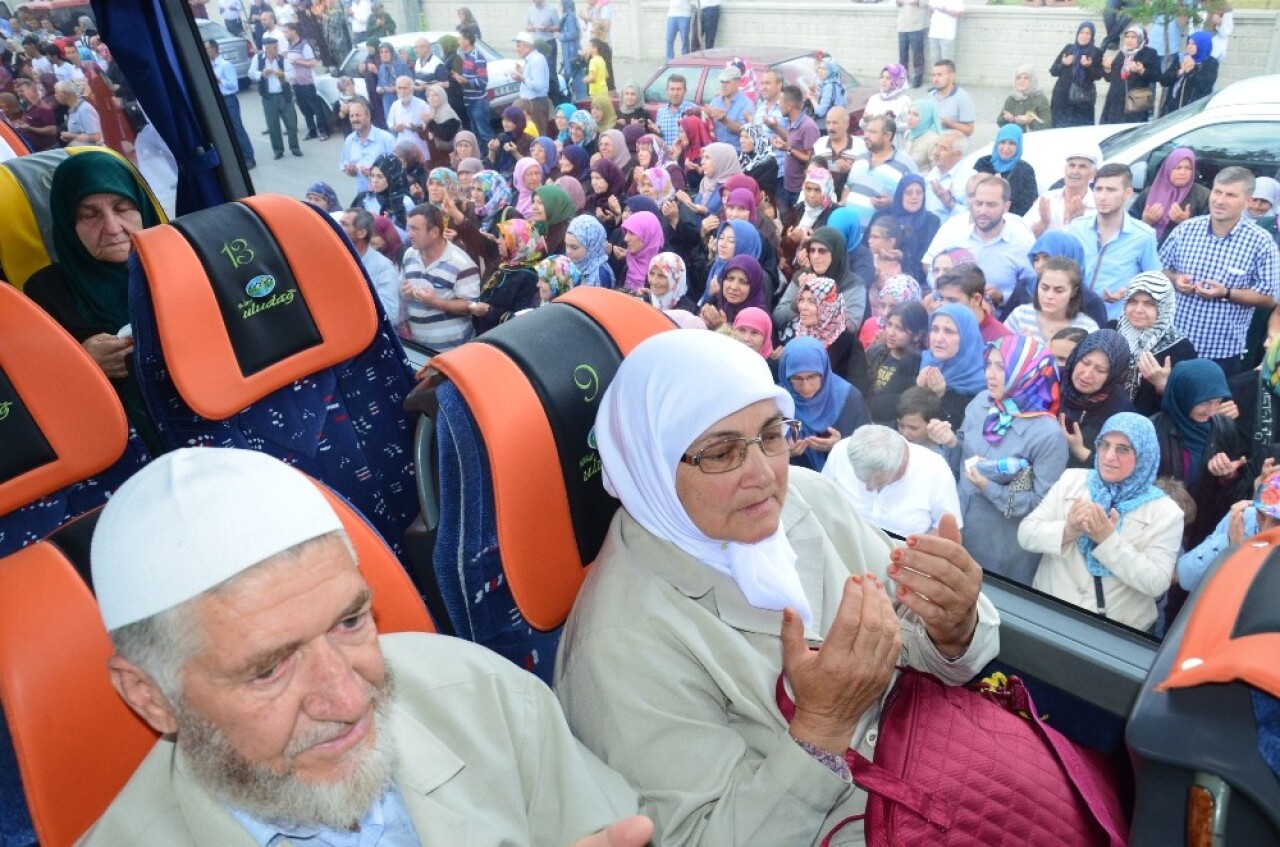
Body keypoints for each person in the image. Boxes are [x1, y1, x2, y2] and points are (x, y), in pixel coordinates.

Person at [554, 329, 998, 847]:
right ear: (650, 465)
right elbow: (702, 838)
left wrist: (953, 627)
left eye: (770, 435)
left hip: (942, 770)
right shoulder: (619, 644)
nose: (764, 474)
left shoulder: (808, 499)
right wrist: (821, 729)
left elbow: (917, 632)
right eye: (721, 453)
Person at [81, 447, 647, 845]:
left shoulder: (487, 694)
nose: (350, 700)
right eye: (269, 670)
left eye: (350, 621)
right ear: (150, 696)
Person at [24, 151, 165, 453]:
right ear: (67, 223)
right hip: (115, 438)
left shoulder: (183, 259)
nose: (113, 228)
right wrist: (82, 367)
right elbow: (34, 391)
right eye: (90, 215)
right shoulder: (44, 291)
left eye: (123, 208)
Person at [1019, 412, 1181, 631]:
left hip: (1109, 633)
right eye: (1104, 445)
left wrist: (1108, 541)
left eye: (1123, 449)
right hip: (1049, 615)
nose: (1109, 456)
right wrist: (1068, 530)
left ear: (1145, 455)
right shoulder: (1071, 480)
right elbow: (1026, 535)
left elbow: (1157, 582)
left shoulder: (1167, 513)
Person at [930, 334, 1066, 584]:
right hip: (959, 527)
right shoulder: (982, 402)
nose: (990, 375)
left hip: (1001, 551)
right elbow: (961, 458)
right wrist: (950, 442)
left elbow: (1038, 504)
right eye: (989, 365)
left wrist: (988, 487)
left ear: (1027, 371)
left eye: (1001, 367)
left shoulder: (1048, 435)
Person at [1162, 167, 1280, 378]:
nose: (1220, 200)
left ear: (1246, 200)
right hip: (1174, 343)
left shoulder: (1260, 242)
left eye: (1230, 195)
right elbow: (1159, 270)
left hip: (1222, 353)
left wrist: (1227, 293)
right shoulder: (1186, 230)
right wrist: (1175, 280)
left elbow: (1270, 298)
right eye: (1217, 192)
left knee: (1211, 410)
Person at [1151, 359, 1251, 549]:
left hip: (1201, 528)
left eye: (1218, 401)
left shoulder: (1224, 428)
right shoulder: (1154, 430)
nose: (1212, 410)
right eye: (1205, 402)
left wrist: (1228, 475)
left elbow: (1231, 492)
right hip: (1160, 525)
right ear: (1183, 394)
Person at [823, 424, 961, 538]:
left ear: (901, 462)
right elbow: (822, 499)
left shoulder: (935, 470)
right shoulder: (841, 451)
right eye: (863, 480)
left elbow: (946, 532)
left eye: (878, 483)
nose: (869, 488)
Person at [925, 176, 1036, 306]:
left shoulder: (1022, 243)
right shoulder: (954, 236)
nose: (982, 211)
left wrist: (1002, 297)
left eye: (991, 205)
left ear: (1006, 206)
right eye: (978, 203)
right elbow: (932, 272)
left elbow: (1032, 290)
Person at [399, 203, 482, 350]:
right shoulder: (409, 256)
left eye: (415, 229)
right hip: (419, 349)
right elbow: (402, 292)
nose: (409, 234)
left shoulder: (461, 263)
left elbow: (471, 306)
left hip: (454, 352)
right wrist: (405, 293)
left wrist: (435, 302)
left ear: (434, 232)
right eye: (408, 228)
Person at [780, 338, 870, 471]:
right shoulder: (778, 401)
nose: (805, 386)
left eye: (812, 377)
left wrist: (841, 446)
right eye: (797, 378)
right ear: (785, 375)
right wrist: (782, 452)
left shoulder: (849, 398)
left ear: (824, 371)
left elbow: (868, 448)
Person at [1116, 271, 1196, 416]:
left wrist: (1164, 385)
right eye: (1133, 301)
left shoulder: (1180, 348)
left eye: (1149, 304)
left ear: (1164, 306)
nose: (1138, 310)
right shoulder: (1112, 331)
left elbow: (1189, 404)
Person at [1057, 329, 1136, 470]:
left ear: (1113, 374)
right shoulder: (1053, 380)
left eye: (1100, 370)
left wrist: (1080, 451)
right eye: (1085, 362)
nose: (1087, 374)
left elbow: (1124, 467)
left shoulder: (1120, 409)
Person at [840, 115, 917, 231]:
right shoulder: (860, 158)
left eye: (872, 132)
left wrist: (892, 203)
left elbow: (916, 201)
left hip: (876, 240)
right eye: (866, 131)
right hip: (847, 232)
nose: (866, 136)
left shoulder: (906, 164)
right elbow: (848, 187)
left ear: (887, 136)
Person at [916, 302, 987, 427]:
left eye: (949, 331)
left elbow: (962, 434)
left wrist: (940, 397)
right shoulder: (923, 362)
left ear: (966, 336)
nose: (938, 338)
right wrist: (920, 392)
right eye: (934, 329)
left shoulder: (983, 381)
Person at [1003, 257, 1099, 345]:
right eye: (1044, 288)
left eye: (1059, 290)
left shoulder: (1088, 328)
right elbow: (999, 351)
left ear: (1073, 292)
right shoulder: (1020, 315)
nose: (1049, 296)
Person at [866, 301, 928, 425]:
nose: (890, 332)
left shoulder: (920, 365)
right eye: (889, 325)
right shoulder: (875, 353)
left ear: (917, 335)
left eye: (899, 328)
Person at [1130, 148, 1209, 245]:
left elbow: (1208, 234)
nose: (1182, 172)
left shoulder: (1203, 196)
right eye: (1177, 167)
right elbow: (1128, 227)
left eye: (1188, 168)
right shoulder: (1149, 193)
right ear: (1168, 168)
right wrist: (1145, 222)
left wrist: (1185, 223)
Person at [337, 208, 400, 324]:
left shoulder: (384, 267)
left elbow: (391, 313)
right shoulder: (335, 259)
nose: (338, 228)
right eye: (339, 223)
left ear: (361, 233)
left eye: (344, 224)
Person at [1024, 145, 1099, 238]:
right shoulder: (1047, 199)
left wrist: (1077, 224)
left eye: (1082, 166)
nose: (1075, 171)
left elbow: (1096, 247)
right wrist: (1042, 223)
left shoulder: (1098, 206)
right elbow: (1023, 238)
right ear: (1065, 169)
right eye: (1072, 165)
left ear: (1093, 173)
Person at [205, 39, 255, 170]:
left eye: (207, 49)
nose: (206, 52)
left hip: (228, 99)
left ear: (215, 49)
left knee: (237, 127)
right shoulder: (208, 65)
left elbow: (233, 85)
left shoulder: (225, 65)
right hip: (217, 100)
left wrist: (219, 80)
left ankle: (249, 157)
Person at [934, 263, 1012, 344]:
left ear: (976, 299)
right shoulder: (940, 329)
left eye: (952, 300)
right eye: (942, 299)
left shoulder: (1002, 340)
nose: (944, 306)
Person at [770, 84, 819, 212]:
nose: (778, 104)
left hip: (800, 189)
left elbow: (812, 159)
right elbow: (793, 143)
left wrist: (789, 149)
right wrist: (783, 144)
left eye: (780, 101)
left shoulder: (808, 126)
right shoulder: (793, 122)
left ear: (789, 105)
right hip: (788, 186)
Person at [972, 124, 1037, 217]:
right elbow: (970, 194)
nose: (1006, 148)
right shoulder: (983, 163)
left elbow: (1029, 207)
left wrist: (1005, 192)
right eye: (1002, 142)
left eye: (1012, 143)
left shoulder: (1025, 171)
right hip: (981, 217)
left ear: (1018, 146)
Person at [1100, 24, 1160, 125]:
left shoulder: (1149, 54)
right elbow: (1110, 79)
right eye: (1127, 37)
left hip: (1136, 105)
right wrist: (1107, 69)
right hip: (1116, 104)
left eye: (1133, 37)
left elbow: (1157, 76)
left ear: (1141, 39)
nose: (1129, 40)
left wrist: (1142, 71)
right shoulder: (1121, 54)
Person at [1049, 22, 1104, 129]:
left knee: (1080, 131)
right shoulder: (1069, 49)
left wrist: (1088, 66)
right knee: (1058, 130)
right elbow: (1053, 71)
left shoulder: (1096, 53)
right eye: (1082, 32)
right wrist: (1064, 64)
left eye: (1088, 33)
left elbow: (1098, 76)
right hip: (1062, 97)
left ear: (1092, 36)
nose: (1084, 36)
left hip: (1082, 100)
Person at [700, 254, 766, 331]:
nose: (734, 287)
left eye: (743, 282)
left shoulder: (759, 319)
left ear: (754, 286)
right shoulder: (714, 304)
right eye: (730, 278)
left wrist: (722, 327)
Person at [1160, 30, 1217, 116]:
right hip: (1172, 110)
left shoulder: (1210, 63)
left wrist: (1191, 70)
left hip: (1193, 111)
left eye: (1193, 44)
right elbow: (1164, 81)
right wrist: (1180, 72)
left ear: (1202, 45)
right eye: (1189, 43)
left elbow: (1205, 86)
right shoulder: (1182, 58)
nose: (1189, 46)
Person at [922, 129, 968, 220]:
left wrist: (949, 203)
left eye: (943, 149)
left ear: (957, 155)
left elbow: (972, 216)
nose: (936, 153)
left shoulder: (968, 179)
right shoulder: (934, 172)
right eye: (936, 146)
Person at [708, 65, 753, 150]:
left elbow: (746, 131)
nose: (724, 85)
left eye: (727, 82)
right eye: (722, 82)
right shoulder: (716, 101)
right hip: (717, 152)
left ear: (738, 82)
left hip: (737, 153)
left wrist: (724, 120)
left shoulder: (746, 104)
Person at [998, 65, 1051, 135]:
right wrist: (1006, 118)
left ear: (1032, 80)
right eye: (1018, 78)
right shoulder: (1011, 98)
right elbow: (999, 122)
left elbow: (1047, 124)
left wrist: (1030, 122)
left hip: (1034, 139)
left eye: (1026, 78)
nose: (1021, 81)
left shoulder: (1040, 98)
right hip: (1015, 139)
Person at [566, 213, 615, 287]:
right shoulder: (568, 262)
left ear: (591, 248)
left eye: (574, 247)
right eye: (566, 245)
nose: (568, 252)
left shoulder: (600, 275)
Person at [928, 60, 974, 137]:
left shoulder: (963, 98)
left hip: (951, 146)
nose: (935, 79)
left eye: (939, 75)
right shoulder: (930, 97)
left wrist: (949, 123)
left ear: (952, 76)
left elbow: (969, 130)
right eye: (933, 75)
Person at [862, 64, 912, 129]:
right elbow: (863, 125)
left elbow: (910, 126)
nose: (884, 81)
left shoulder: (904, 100)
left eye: (888, 78)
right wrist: (866, 121)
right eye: (882, 77)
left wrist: (890, 125)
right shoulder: (874, 99)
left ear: (898, 81)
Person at [54, 79, 101, 147]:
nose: (55, 96)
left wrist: (72, 136)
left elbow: (96, 137)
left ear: (65, 94)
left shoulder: (84, 109)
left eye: (56, 93)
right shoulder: (71, 109)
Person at [655, 74, 697, 147]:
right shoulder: (661, 111)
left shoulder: (693, 109)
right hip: (667, 156)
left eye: (678, 89)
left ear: (685, 91)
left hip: (686, 156)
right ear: (667, 90)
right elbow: (659, 137)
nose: (675, 93)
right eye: (672, 89)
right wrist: (656, 132)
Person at [900, 100, 940, 174]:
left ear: (926, 117)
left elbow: (936, 170)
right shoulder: (908, 133)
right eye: (909, 113)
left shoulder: (934, 140)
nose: (909, 118)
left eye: (915, 115)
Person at [897, 0, 929, 89]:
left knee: (917, 54)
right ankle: (903, 78)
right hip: (902, 25)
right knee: (902, 54)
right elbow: (898, 3)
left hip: (917, 25)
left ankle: (918, 78)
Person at [808, 55, 847, 123]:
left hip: (831, 123)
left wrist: (812, 98)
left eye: (824, 69)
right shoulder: (835, 82)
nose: (820, 71)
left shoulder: (829, 86)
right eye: (819, 68)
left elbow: (820, 112)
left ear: (832, 71)